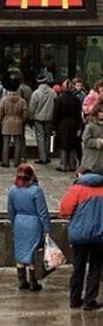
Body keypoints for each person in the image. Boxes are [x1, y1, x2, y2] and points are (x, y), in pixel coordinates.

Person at [59, 165, 103, 310]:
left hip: (79, 235)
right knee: (95, 268)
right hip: (99, 235)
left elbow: (64, 210)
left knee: (78, 267)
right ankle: (90, 300)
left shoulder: (76, 189)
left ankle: (75, 299)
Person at [7, 163, 52, 292]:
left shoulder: (12, 190)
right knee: (33, 253)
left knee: (20, 251)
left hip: (19, 222)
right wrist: (47, 228)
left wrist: (14, 223)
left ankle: (21, 280)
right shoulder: (36, 190)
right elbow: (42, 212)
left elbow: (10, 210)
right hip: (34, 223)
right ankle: (33, 282)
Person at [0, 79, 28, 168]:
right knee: (18, 143)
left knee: (6, 143)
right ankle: (17, 161)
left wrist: (1, 121)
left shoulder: (4, 100)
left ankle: (5, 161)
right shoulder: (22, 100)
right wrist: (22, 121)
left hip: (6, 121)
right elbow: (25, 113)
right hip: (18, 121)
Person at [53, 80, 83, 173]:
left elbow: (55, 114)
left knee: (63, 144)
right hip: (73, 123)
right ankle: (72, 164)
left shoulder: (59, 99)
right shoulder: (76, 99)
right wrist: (79, 126)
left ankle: (63, 164)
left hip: (62, 124)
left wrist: (53, 126)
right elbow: (79, 114)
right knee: (72, 144)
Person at [29, 74, 56, 165]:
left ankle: (42, 157)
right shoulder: (53, 92)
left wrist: (31, 117)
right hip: (49, 117)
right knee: (47, 137)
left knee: (40, 138)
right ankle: (47, 156)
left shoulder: (36, 93)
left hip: (38, 118)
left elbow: (32, 107)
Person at [81, 104, 103, 171]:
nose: (102, 114)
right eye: (100, 112)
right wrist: (99, 142)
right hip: (91, 158)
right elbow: (85, 140)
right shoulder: (90, 125)